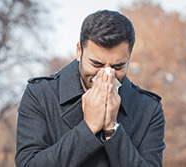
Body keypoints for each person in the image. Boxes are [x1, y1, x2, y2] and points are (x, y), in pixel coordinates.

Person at [15, 10, 165, 167]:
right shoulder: (40, 94)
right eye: (97, 64)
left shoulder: (148, 109)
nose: (107, 74)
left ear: (129, 58)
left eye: (117, 66)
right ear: (79, 51)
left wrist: (112, 129)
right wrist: (88, 128)